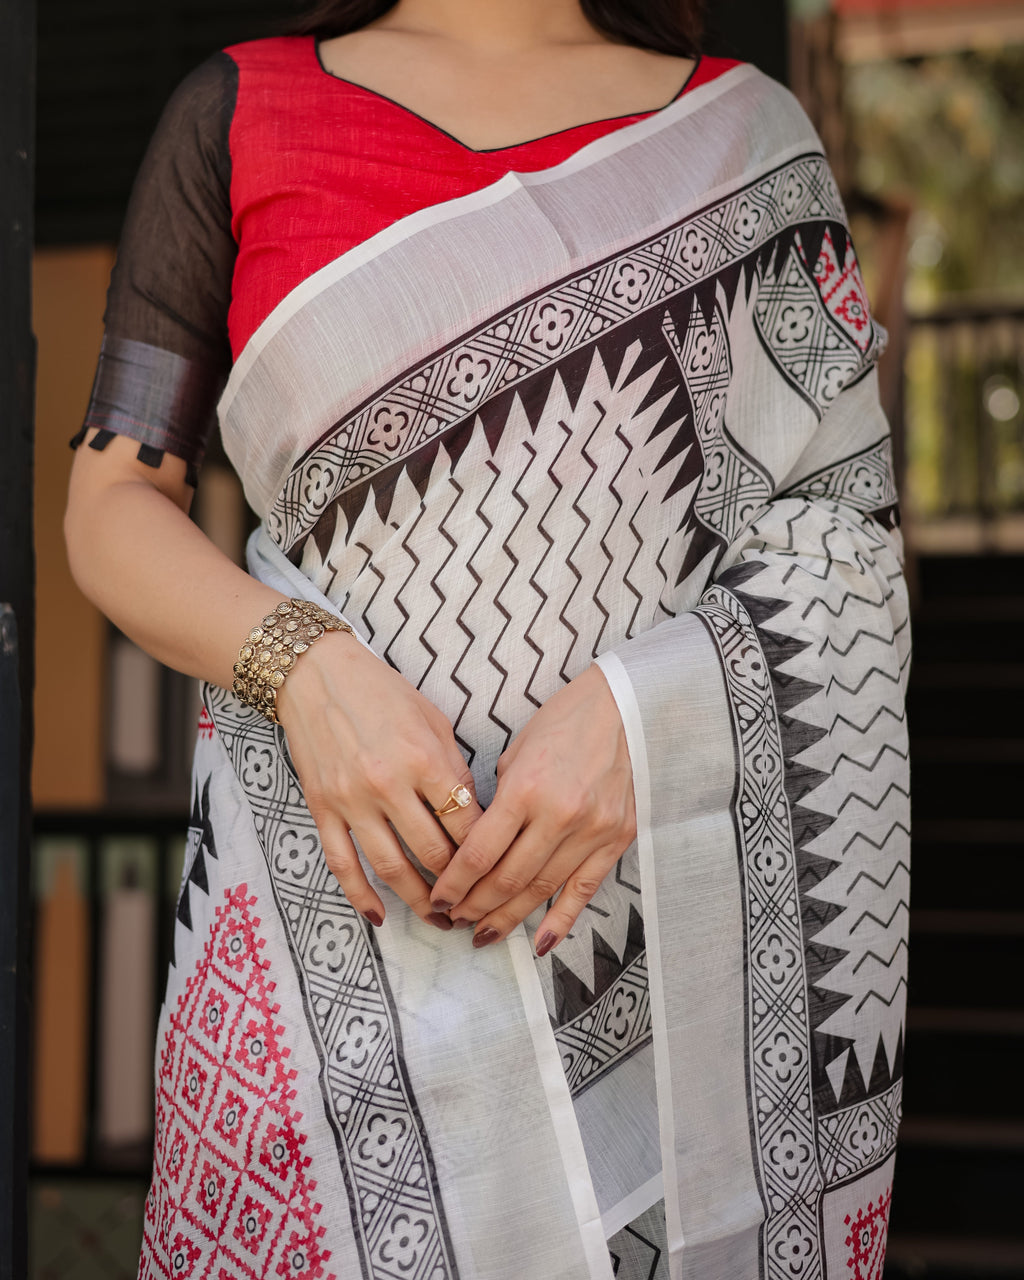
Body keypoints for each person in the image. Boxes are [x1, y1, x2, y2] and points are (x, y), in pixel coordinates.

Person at [65, 2, 910, 1277]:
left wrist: (648, 718)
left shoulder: (744, 138)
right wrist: (302, 666)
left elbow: (843, 545)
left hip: (662, 964)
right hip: (319, 943)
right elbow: (112, 503)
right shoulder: (241, 115)